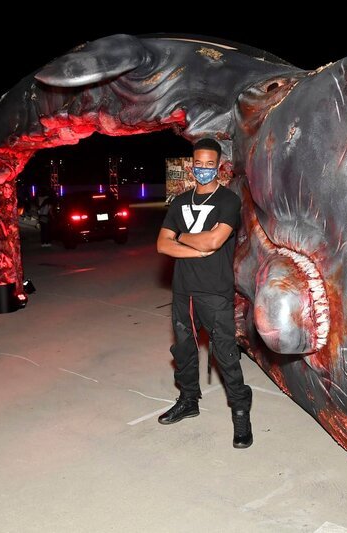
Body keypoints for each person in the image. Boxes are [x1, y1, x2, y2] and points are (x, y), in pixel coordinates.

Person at [156, 137, 253, 448]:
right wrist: (197, 248)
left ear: (218, 167)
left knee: (225, 355)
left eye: (210, 165)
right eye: (199, 164)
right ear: (192, 165)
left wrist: (181, 238)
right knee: (183, 352)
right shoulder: (180, 202)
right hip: (184, 292)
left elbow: (214, 242)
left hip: (215, 292)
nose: (204, 169)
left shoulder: (229, 201)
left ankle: (240, 410)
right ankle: (188, 400)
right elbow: (161, 244)